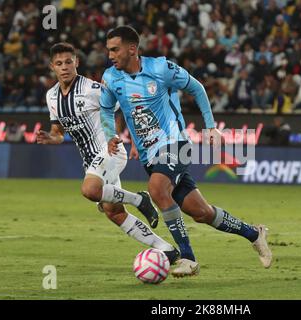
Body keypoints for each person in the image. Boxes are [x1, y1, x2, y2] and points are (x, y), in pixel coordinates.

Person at [99, 26, 272, 277]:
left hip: (175, 144)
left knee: (157, 190)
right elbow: (106, 109)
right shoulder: (111, 78)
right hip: (150, 155)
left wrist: (210, 127)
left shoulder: (161, 69)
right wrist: (111, 135)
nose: (110, 55)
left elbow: (197, 88)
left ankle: (188, 258)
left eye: (115, 49)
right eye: (109, 50)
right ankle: (254, 234)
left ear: (132, 49)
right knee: (202, 213)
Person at [36, 42, 179, 263]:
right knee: (113, 212)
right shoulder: (51, 96)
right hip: (90, 160)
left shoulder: (91, 89)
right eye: (58, 63)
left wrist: (132, 139)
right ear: (52, 67)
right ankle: (166, 248)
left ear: (77, 63)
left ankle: (140, 199)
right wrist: (51, 138)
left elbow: (126, 106)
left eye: (68, 62)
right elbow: (58, 131)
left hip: (110, 150)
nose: (64, 67)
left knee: (90, 189)